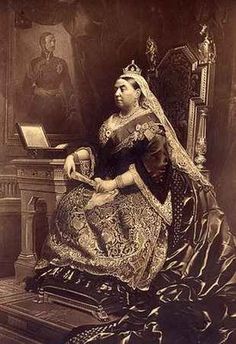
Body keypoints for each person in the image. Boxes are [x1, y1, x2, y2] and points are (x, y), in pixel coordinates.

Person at [27, 62, 236, 344]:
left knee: (122, 218)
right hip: (106, 185)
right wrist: (75, 156)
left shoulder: (150, 126)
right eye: (115, 87)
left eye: (123, 87)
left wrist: (114, 184)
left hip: (139, 190)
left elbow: (157, 167)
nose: (117, 92)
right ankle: (77, 272)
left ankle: (111, 279)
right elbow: (98, 151)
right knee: (71, 204)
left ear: (138, 92)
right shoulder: (110, 122)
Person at [23, 32, 76, 133]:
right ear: (43, 44)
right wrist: (36, 90)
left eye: (54, 41)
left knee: (56, 132)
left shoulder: (61, 63)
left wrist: (71, 106)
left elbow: (68, 86)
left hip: (56, 105)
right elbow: (25, 87)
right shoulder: (34, 63)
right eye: (50, 41)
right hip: (38, 104)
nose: (53, 44)